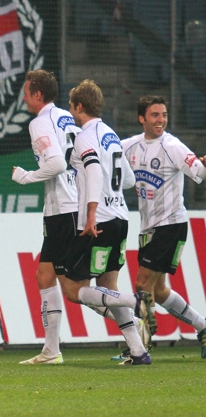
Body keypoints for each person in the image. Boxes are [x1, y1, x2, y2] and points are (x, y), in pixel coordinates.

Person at [57, 80, 154, 365]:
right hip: (120, 218)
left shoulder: (85, 137)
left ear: (79, 107)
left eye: (72, 106)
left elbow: (95, 172)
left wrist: (89, 215)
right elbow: (128, 179)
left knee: (75, 290)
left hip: (97, 222)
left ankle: (134, 301)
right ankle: (138, 352)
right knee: (106, 289)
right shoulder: (110, 134)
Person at [122, 95, 206, 358]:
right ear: (142, 118)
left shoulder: (173, 146)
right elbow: (106, 152)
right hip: (148, 227)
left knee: (142, 283)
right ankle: (203, 327)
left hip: (170, 224)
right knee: (157, 291)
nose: (161, 120)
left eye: (164, 115)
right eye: (155, 115)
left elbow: (199, 173)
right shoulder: (130, 146)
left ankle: (140, 346)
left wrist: (202, 164)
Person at [12, 70, 80, 365]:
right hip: (77, 203)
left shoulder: (39, 122)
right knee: (47, 275)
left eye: (27, 92)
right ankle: (51, 350)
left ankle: (131, 309)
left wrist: (27, 177)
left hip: (63, 208)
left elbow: (56, 163)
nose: (24, 97)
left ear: (38, 94)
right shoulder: (66, 117)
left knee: (74, 290)